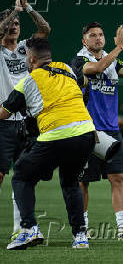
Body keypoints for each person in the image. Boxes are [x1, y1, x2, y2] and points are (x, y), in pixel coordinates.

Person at [2, 38, 95, 250]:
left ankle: (28, 229)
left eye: (27, 57)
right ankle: (80, 236)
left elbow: (3, 113)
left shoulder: (28, 81)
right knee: (71, 182)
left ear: (32, 58)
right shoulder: (66, 68)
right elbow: (84, 85)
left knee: (22, 176)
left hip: (56, 135)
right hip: (85, 132)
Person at [70, 22, 123, 240]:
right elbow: (98, 68)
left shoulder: (114, 60)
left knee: (117, 178)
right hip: (87, 131)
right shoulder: (79, 60)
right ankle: (82, 228)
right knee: (83, 182)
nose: (98, 38)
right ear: (84, 41)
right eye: (93, 35)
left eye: (101, 34)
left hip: (111, 131)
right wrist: (119, 47)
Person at [0, 0, 51, 240]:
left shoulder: (24, 48)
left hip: (27, 122)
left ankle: (23, 227)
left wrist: (27, 7)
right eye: (10, 24)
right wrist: (14, 12)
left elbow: (45, 31)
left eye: (17, 24)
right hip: (3, 121)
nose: (14, 27)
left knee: (26, 176)